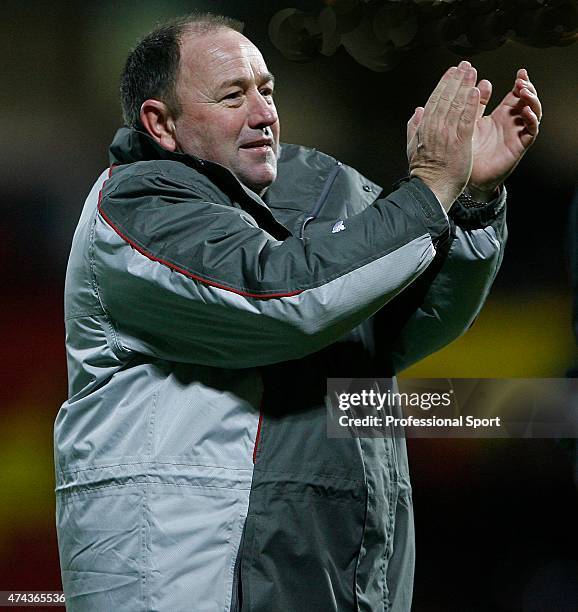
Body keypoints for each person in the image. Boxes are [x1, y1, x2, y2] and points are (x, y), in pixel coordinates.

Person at [54, 12, 541, 612]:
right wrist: (431, 188)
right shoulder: (136, 205)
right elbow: (286, 299)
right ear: (161, 124)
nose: (263, 113)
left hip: (340, 565)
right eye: (234, 96)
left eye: (267, 90)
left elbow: (399, 323)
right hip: (193, 574)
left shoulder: (314, 186)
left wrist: (470, 198)